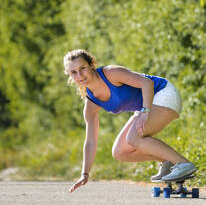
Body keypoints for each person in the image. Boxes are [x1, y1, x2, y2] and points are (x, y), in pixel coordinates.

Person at [64, 49, 196, 193]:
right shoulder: (91, 103)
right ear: (70, 76)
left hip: (164, 93)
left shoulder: (110, 73)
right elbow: (90, 141)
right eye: (74, 72)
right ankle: (168, 162)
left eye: (82, 68)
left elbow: (147, 83)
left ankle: (183, 164)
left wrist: (145, 112)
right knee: (120, 152)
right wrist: (85, 174)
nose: (80, 75)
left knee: (133, 138)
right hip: (146, 107)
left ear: (91, 65)